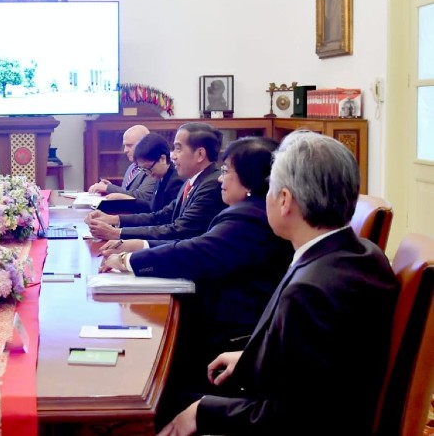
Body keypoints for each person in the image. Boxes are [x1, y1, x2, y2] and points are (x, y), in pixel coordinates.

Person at [157, 131, 398, 436]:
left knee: (163, 399)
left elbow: (293, 415)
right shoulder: (362, 252)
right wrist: (254, 356)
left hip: (309, 420)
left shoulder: (310, 292)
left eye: (269, 189)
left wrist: (201, 411)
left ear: (284, 200)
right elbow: (321, 359)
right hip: (316, 397)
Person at [100, 137, 293, 423]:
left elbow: (195, 252)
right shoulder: (249, 211)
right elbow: (198, 243)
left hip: (229, 334)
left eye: (227, 171)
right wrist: (139, 246)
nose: (221, 180)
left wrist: (129, 261)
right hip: (231, 321)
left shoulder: (248, 216)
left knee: (145, 367)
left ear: (250, 180)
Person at [85, 122, 227, 241]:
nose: (173, 156)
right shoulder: (191, 182)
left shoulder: (210, 185)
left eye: (178, 149)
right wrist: (113, 220)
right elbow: (160, 216)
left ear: (200, 154)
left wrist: (117, 234)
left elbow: (179, 231)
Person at [87, 124, 157, 213]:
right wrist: (110, 188)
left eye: (129, 145)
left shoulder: (152, 168)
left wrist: (108, 188)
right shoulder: (132, 166)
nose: (125, 150)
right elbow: (128, 192)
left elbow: (142, 197)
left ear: (144, 145)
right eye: (125, 145)